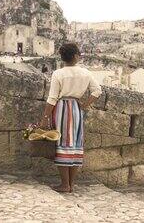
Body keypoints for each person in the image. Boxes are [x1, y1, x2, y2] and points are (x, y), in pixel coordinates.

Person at [40, 42, 102, 193]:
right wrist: (85, 104)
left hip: (62, 109)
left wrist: (45, 117)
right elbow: (97, 91)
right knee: (75, 145)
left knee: (62, 144)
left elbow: (52, 98)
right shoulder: (86, 73)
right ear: (75, 56)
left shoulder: (58, 74)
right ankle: (71, 184)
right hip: (76, 109)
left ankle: (64, 184)